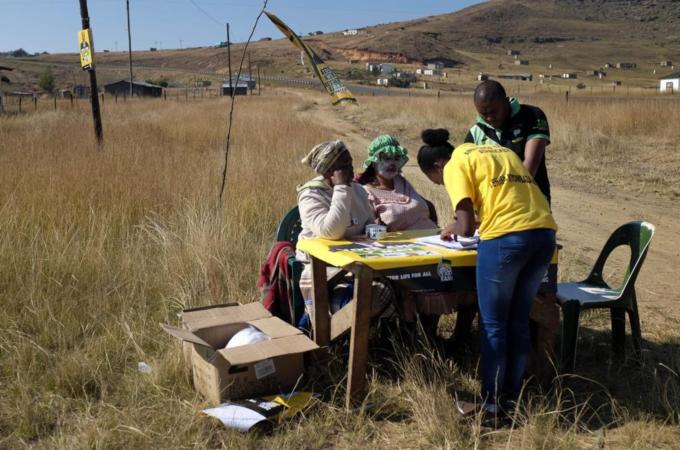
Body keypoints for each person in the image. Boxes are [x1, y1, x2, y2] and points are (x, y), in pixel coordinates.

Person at [418, 128, 557, 416]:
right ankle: (512, 400)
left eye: (437, 181)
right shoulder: (500, 152)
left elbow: (466, 226)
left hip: (506, 241)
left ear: (438, 166)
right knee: (518, 321)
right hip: (543, 235)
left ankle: (491, 405)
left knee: (493, 325)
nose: (443, 184)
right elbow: (509, 201)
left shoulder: (455, 164)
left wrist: (454, 226)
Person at [356, 134, 455, 343]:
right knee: (420, 283)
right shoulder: (366, 192)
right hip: (400, 255)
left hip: (432, 245)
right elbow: (371, 230)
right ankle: (410, 341)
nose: (391, 163)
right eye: (385, 158)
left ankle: (430, 340)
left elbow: (423, 206)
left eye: (395, 158)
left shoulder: (402, 182)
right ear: (373, 161)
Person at [296, 140, 396, 328]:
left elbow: (366, 223)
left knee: (401, 283)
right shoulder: (311, 194)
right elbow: (331, 232)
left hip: (357, 260)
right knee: (371, 294)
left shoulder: (357, 190)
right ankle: (333, 332)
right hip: (324, 265)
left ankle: (390, 336)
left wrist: (374, 229)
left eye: (350, 163)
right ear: (328, 172)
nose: (351, 170)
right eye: (344, 167)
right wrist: (341, 188)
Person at [464, 80, 552, 204]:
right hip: (494, 208)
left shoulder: (532, 116)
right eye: (483, 114)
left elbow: (529, 167)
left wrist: (506, 201)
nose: (489, 118)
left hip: (533, 202)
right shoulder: (475, 133)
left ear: (506, 102)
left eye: (494, 111)